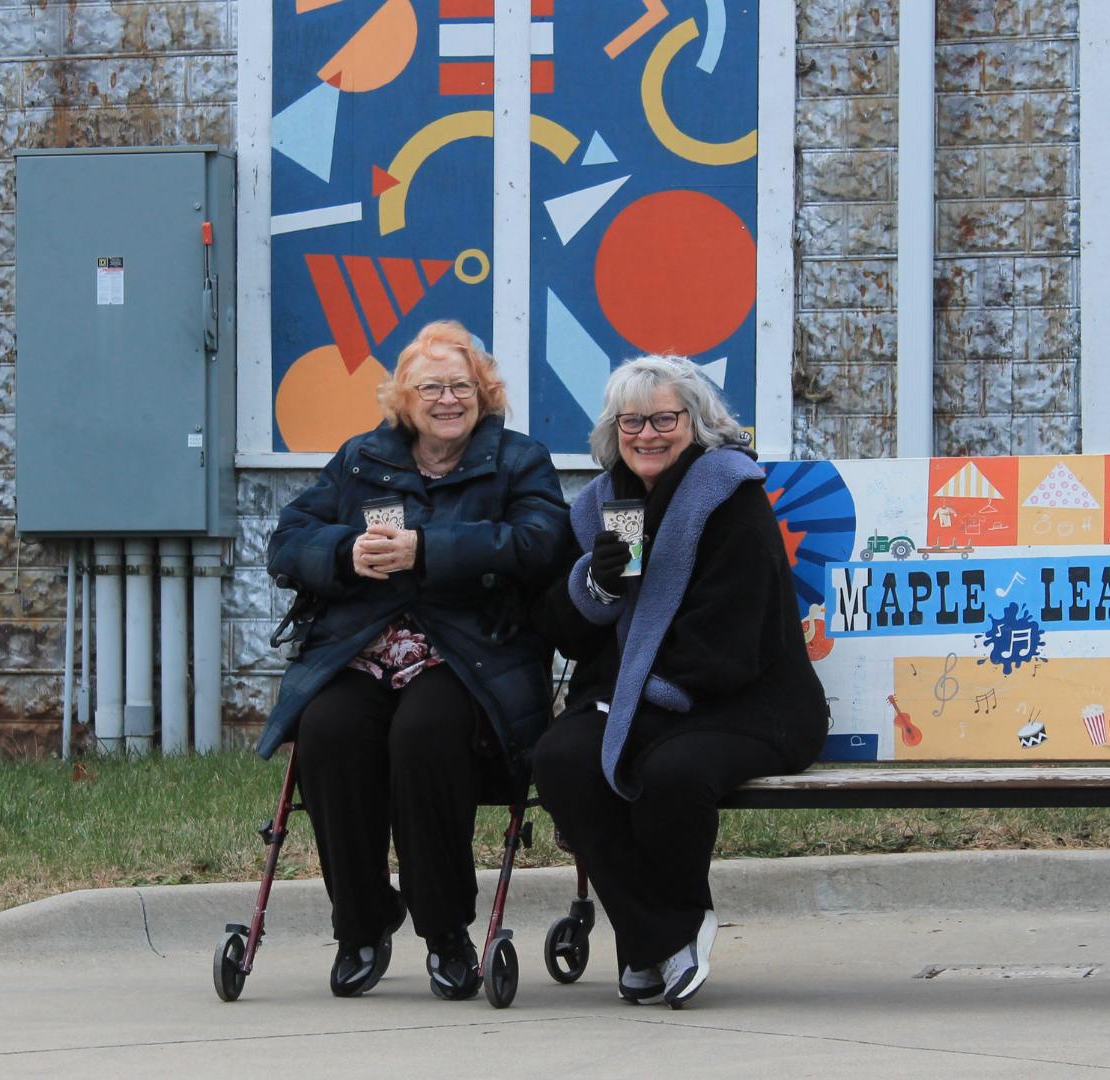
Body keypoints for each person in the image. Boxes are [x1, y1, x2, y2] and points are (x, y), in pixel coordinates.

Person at [258, 320, 569, 1001]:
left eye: (461, 385)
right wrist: (344, 553)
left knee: (423, 735)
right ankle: (363, 923)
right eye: (431, 386)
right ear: (404, 395)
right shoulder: (363, 457)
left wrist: (426, 548)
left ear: (483, 393)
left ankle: (445, 929)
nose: (448, 399)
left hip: (469, 654)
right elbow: (288, 541)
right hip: (364, 648)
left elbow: (542, 542)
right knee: (328, 732)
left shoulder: (519, 460)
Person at [532, 354, 829, 1009]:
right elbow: (566, 632)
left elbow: (734, 632)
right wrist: (596, 583)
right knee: (560, 758)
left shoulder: (730, 496)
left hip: (747, 702)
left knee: (671, 773)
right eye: (632, 421)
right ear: (613, 429)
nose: (647, 435)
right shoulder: (601, 507)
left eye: (664, 419)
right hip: (632, 699)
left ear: (695, 423)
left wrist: (640, 699)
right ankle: (659, 937)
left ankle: (656, 938)